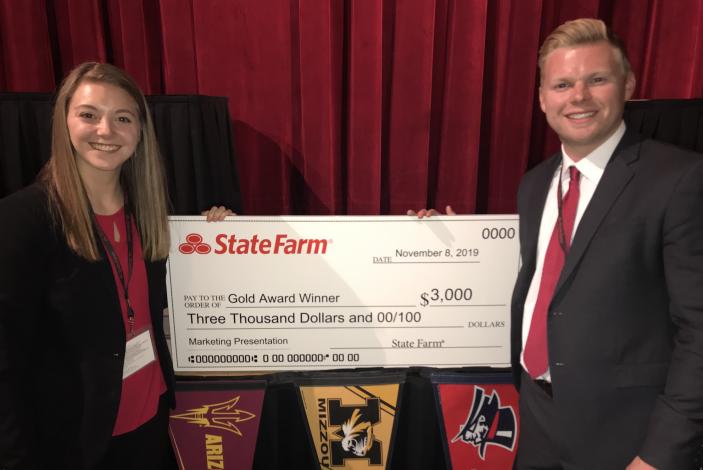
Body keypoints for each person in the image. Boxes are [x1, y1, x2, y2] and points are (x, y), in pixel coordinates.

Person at [413, 18, 703, 469]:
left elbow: (699, 330)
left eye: (597, 79)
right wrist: (442, 245)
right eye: (562, 84)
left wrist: (661, 454)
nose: (579, 97)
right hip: (539, 422)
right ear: (543, 98)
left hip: (629, 440)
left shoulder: (680, 179)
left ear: (627, 85)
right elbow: (548, 283)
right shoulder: (534, 185)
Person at [0, 62, 231, 469]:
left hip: (150, 421)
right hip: (74, 442)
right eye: (89, 115)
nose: (105, 130)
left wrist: (223, 234)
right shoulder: (22, 220)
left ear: (140, 132)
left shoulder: (148, 211)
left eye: (122, 118)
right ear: (64, 122)